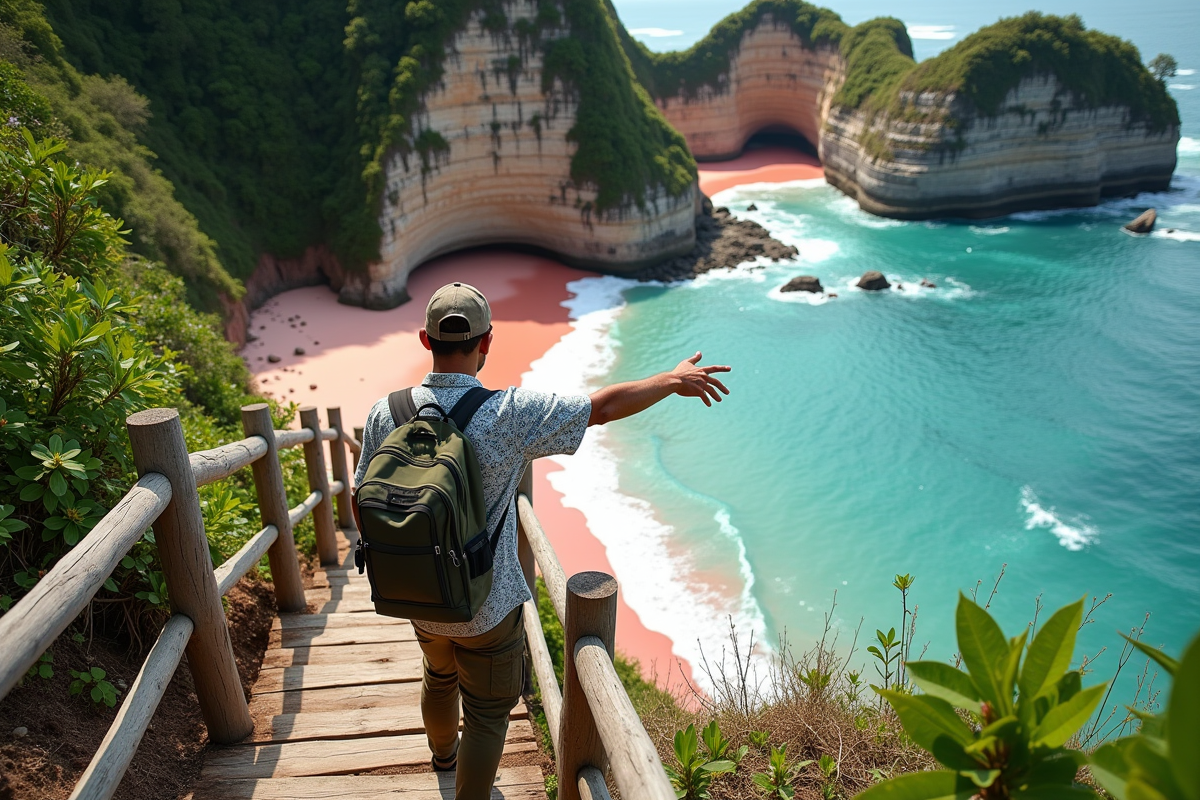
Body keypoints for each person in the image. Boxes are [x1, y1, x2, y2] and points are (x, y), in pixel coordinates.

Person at [351, 282, 730, 799]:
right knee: (486, 716)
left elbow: (361, 499)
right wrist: (671, 379)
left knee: (437, 676)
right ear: (487, 342)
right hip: (488, 604)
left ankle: (443, 758)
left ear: (425, 339)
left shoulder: (384, 412)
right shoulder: (508, 413)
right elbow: (600, 408)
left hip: (415, 593)